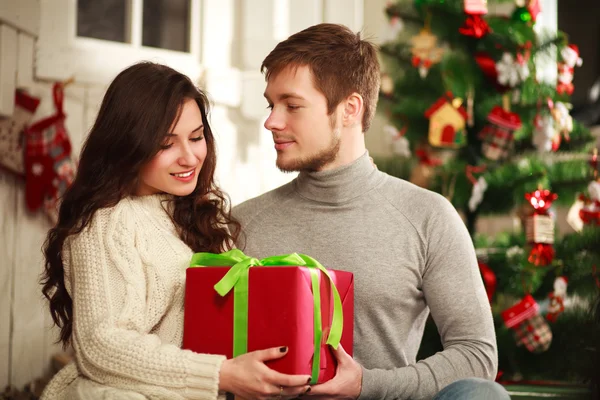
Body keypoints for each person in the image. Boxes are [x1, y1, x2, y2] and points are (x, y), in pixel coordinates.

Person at [232, 23, 510, 400]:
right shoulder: (243, 223)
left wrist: (367, 385)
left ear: (349, 109)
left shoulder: (428, 217)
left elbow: (476, 356)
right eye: (271, 105)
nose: (272, 121)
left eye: (292, 105)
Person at [40, 62, 312, 400]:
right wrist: (221, 374)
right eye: (166, 144)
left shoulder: (199, 218)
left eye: (196, 138)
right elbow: (102, 346)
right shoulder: (105, 223)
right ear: (129, 146)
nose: (190, 157)